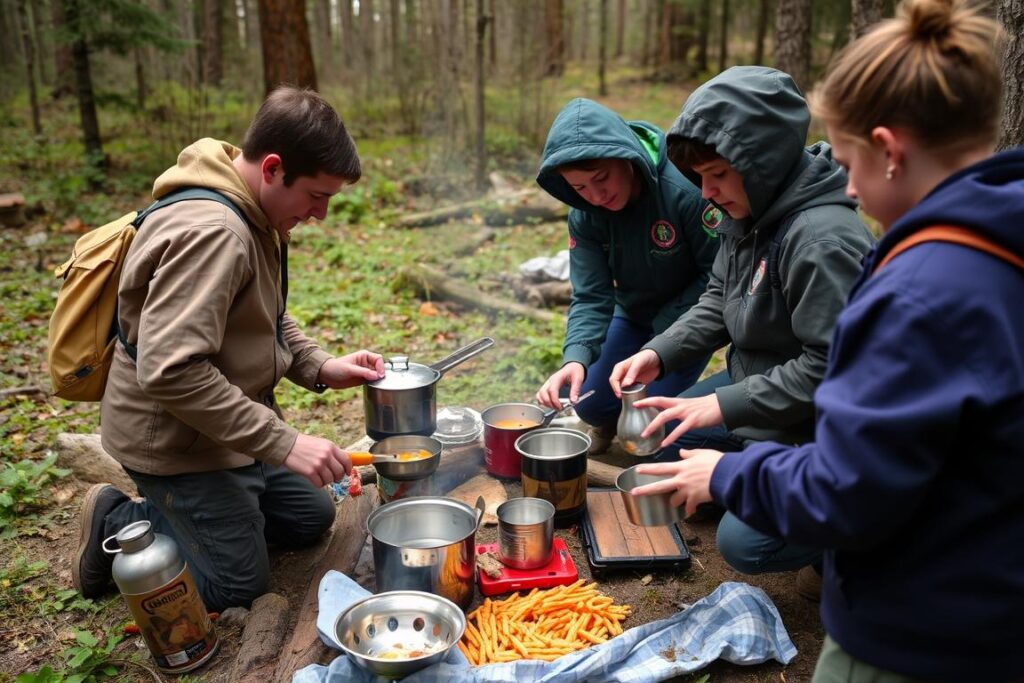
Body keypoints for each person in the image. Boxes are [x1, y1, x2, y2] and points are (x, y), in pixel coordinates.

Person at [630, 0, 1024, 679]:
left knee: (737, 531)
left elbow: (850, 482)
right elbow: (722, 303)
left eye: (848, 162)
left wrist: (730, 470)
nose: (846, 184)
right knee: (672, 436)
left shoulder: (898, 277)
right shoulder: (983, 243)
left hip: (921, 622)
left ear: (890, 152)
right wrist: (662, 352)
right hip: (961, 584)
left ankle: (799, 549)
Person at [71, 86, 385, 612]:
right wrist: (285, 443)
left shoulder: (251, 207)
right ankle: (117, 519)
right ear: (273, 168)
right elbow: (171, 372)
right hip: (175, 442)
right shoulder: (214, 232)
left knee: (312, 517)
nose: (321, 214)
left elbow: (264, 314)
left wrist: (322, 366)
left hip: (224, 429)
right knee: (236, 588)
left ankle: (225, 510)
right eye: (317, 196)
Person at [610, 66, 874, 589]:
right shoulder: (751, 208)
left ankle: (840, 542)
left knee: (743, 544)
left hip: (820, 427)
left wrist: (722, 405)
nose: (707, 194)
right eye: (700, 179)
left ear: (762, 162)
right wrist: (658, 353)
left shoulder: (820, 242)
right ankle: (739, 478)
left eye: (717, 176)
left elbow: (832, 370)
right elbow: (719, 298)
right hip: (759, 383)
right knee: (661, 437)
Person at [534, 97, 718, 453]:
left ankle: (641, 434)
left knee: (653, 417)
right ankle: (607, 422)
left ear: (626, 157)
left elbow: (718, 279)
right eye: (579, 188)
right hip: (633, 314)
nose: (596, 196)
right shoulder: (585, 214)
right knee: (587, 399)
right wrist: (576, 356)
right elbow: (590, 295)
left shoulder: (686, 190)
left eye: (601, 178)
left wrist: (659, 338)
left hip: (688, 322)